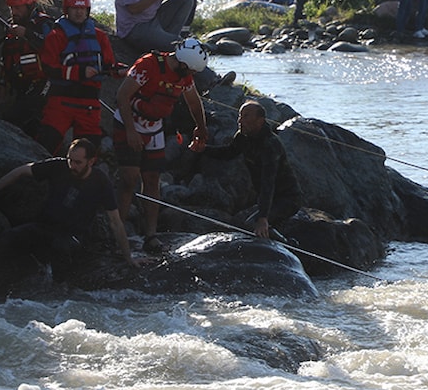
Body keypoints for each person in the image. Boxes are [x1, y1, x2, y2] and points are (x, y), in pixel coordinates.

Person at [0, 139, 137, 282]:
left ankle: (59, 296)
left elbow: (115, 222)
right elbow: (21, 171)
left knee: (61, 249)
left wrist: (129, 258)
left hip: (72, 236)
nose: (72, 165)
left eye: (78, 162)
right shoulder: (59, 167)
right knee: (9, 237)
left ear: (91, 161)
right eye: (70, 159)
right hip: (44, 226)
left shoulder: (100, 181)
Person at [114, 39, 210, 253]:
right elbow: (122, 96)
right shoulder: (148, 65)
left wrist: (201, 129)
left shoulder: (185, 76)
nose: (190, 75)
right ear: (182, 63)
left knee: (152, 180)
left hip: (154, 128)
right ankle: (118, 235)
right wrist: (130, 131)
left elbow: (194, 102)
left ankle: (151, 235)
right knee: (129, 178)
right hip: (128, 122)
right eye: (190, 70)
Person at [204, 101, 303, 239]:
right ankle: (280, 242)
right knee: (251, 226)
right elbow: (228, 153)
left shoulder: (270, 144)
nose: (240, 120)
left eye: (245, 116)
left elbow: (268, 183)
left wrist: (263, 217)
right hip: (270, 199)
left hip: (288, 198)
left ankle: (287, 246)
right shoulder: (242, 137)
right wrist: (202, 149)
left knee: (253, 225)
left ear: (260, 121)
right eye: (240, 116)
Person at [38, 0, 118, 155]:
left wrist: (119, 71)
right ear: (67, 11)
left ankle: (82, 178)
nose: (79, 12)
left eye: (83, 9)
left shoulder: (100, 37)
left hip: (89, 103)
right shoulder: (55, 36)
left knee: (90, 150)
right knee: (47, 143)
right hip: (61, 101)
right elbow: (48, 68)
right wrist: (79, 72)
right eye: (75, 9)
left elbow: (109, 64)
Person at [0, 0, 53, 137]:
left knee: (17, 119)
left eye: (18, 8)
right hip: (21, 86)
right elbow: (6, 57)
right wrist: (2, 82)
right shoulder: (11, 27)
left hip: (43, 84)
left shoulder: (44, 24)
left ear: (30, 6)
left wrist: (28, 33)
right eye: (12, 8)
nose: (14, 12)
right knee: (15, 119)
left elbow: (53, 47)